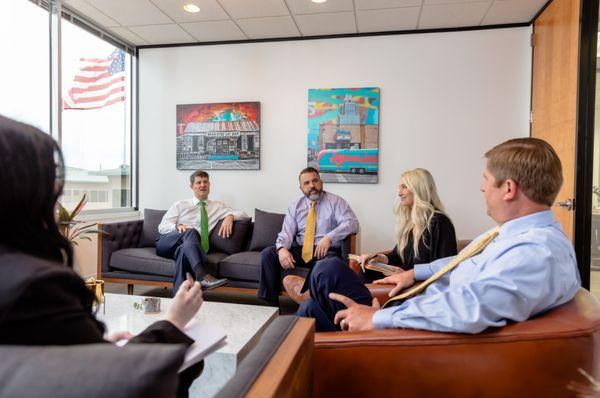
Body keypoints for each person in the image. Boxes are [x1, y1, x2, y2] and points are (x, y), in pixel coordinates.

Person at [0, 115, 203, 397]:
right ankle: (199, 276)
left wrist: (99, 345)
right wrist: (173, 322)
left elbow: (53, 361)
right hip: (170, 240)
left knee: (190, 239)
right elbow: (115, 381)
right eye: (51, 187)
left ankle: (197, 272)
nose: (58, 203)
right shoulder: (38, 288)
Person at [298, 137, 581, 333]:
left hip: (409, 334)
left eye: (485, 179)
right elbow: (459, 263)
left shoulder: (534, 253)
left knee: (327, 268)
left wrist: (379, 316)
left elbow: (468, 307)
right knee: (311, 307)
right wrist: (413, 273)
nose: (482, 189)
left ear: (508, 188)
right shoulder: (516, 238)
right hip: (414, 308)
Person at [283, 168, 457, 299]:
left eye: (404, 187)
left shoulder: (439, 222)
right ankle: (320, 296)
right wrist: (380, 258)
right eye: (400, 187)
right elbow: (398, 255)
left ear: (418, 189)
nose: (399, 192)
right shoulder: (411, 223)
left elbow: (446, 268)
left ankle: (316, 295)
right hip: (402, 275)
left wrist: (408, 273)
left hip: (417, 285)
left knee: (332, 264)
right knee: (365, 268)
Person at [258, 167, 359, 307]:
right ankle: (270, 307)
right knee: (268, 254)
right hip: (302, 250)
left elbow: (352, 223)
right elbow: (286, 233)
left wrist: (329, 237)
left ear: (321, 182)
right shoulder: (295, 207)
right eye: (306, 183)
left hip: (325, 251)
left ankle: (311, 300)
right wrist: (281, 249)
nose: (312, 185)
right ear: (301, 188)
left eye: (315, 181)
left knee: (327, 263)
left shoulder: (336, 202)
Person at [156, 170, 248, 294]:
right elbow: (162, 227)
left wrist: (230, 216)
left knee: (184, 251)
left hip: (187, 248)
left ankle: (179, 299)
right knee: (191, 232)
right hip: (167, 242)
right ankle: (202, 275)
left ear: (209, 185)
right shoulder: (180, 205)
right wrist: (178, 227)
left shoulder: (218, 206)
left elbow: (243, 214)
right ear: (192, 186)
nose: (202, 185)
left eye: (205, 182)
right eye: (198, 182)